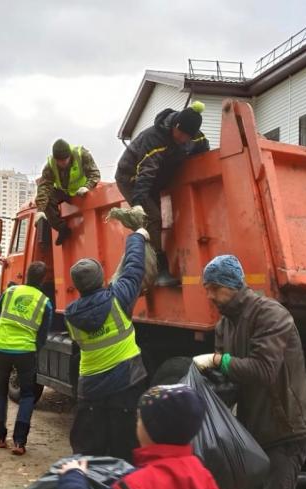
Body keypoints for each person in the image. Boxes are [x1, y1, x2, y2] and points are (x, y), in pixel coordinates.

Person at [193, 255, 306, 489]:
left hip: (285, 429)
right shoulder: (225, 325)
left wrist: (216, 361)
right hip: (253, 431)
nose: (209, 295)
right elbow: (230, 380)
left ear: (232, 284)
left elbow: (263, 370)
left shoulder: (271, 314)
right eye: (206, 288)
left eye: (214, 288)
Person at [57, 384, 223, 489]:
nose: (137, 424)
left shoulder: (138, 487)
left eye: (139, 419)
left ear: (150, 429)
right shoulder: (204, 477)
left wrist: (73, 475)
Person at [64, 228, 149, 462]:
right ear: (102, 278)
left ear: (78, 286)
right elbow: (133, 269)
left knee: (90, 452)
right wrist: (137, 236)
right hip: (126, 384)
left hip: (90, 389)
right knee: (126, 451)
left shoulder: (70, 316)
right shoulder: (118, 299)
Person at [114, 101, 210, 287]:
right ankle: (158, 271)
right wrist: (139, 205)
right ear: (175, 126)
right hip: (132, 178)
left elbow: (202, 149)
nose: (183, 139)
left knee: (163, 220)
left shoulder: (194, 137)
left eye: (187, 137)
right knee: (153, 219)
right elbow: (146, 174)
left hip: (157, 180)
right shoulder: (154, 138)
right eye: (180, 134)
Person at [0, 261, 53, 454]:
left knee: (0, 391)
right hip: (26, 352)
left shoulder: (10, 293)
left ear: (26, 275)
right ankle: (19, 442)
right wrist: (35, 348)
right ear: (43, 279)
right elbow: (44, 332)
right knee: (27, 395)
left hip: (1, 348)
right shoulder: (45, 302)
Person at [34, 139, 101, 245]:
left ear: (70, 155)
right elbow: (44, 187)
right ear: (55, 159)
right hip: (64, 192)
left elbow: (95, 174)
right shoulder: (50, 166)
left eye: (65, 159)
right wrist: (40, 210)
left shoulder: (82, 155)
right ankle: (63, 229)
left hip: (83, 193)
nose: (63, 163)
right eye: (60, 161)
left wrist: (87, 187)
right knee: (47, 199)